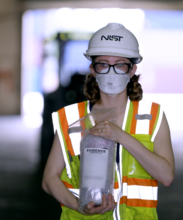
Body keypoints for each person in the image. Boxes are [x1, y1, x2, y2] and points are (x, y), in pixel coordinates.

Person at [42, 23, 175, 220]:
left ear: (131, 70)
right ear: (93, 70)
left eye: (120, 64)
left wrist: (121, 136)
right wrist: (78, 206)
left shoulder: (153, 116)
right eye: (103, 64)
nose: (111, 71)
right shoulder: (71, 118)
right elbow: (49, 180)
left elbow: (166, 176)